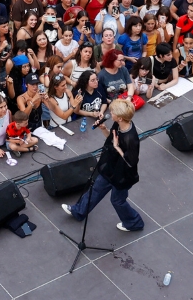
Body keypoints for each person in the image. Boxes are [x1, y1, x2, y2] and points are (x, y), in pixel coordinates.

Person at [61, 98, 144, 232]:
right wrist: (104, 129)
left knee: (117, 201)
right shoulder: (118, 125)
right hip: (110, 167)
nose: (111, 114)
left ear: (121, 118)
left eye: (113, 112)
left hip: (122, 175)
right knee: (96, 189)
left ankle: (134, 222)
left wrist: (117, 147)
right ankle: (79, 211)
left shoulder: (131, 138)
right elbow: (111, 140)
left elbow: (131, 162)